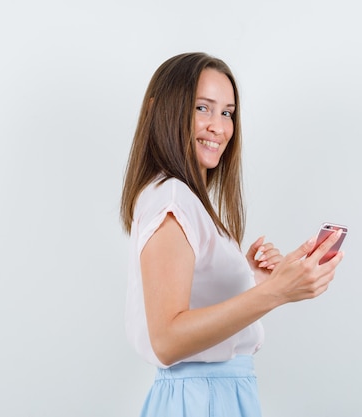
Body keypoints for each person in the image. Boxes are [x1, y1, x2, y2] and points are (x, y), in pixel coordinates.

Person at [120, 52, 344, 417]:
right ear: (161, 110)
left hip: (216, 395)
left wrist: (251, 282)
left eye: (227, 113)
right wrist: (275, 293)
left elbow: (192, 311)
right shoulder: (172, 197)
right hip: (199, 399)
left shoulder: (188, 201)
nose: (219, 127)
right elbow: (167, 339)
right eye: (202, 108)